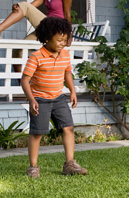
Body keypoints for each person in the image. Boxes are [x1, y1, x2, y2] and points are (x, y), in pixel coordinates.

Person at [21, 17, 86, 178]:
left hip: (59, 98)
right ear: (47, 38)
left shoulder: (65, 54)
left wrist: (72, 91)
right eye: (59, 40)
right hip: (40, 99)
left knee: (68, 127)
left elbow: (67, 73)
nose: (62, 43)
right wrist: (32, 99)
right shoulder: (36, 57)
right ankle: (33, 167)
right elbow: (25, 80)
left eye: (65, 40)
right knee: (37, 133)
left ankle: (70, 163)